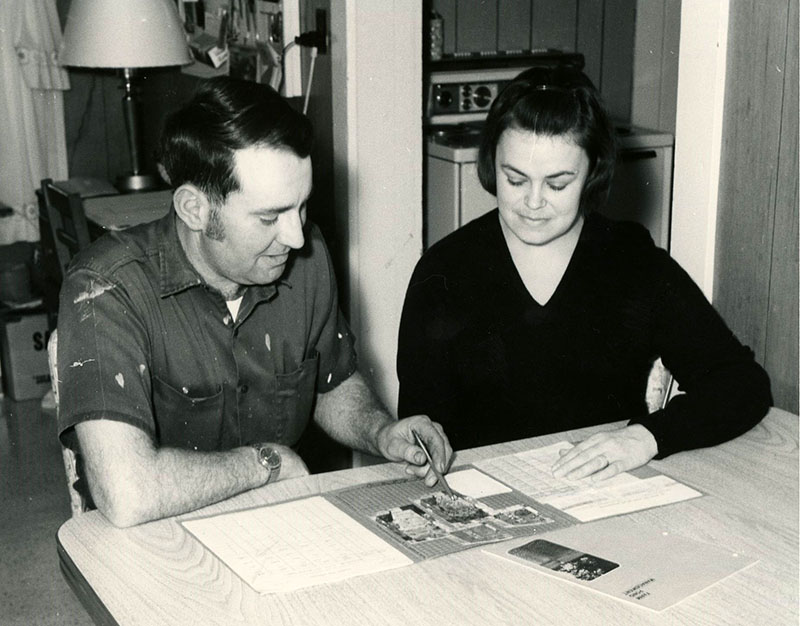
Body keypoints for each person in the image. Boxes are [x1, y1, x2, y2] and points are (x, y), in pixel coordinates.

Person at [56, 78, 452, 527]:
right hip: (154, 534)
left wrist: (382, 432)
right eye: (270, 217)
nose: (297, 236)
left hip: (275, 520)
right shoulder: (106, 287)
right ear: (195, 209)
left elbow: (330, 381)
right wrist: (267, 463)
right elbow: (127, 493)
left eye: (302, 207)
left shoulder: (305, 258)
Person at [397, 66, 771, 482]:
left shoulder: (632, 261)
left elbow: (741, 382)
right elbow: (419, 426)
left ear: (592, 173)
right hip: (484, 499)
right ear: (491, 165)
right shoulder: (444, 271)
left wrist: (646, 437)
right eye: (515, 179)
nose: (533, 202)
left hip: (604, 492)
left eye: (557, 184)